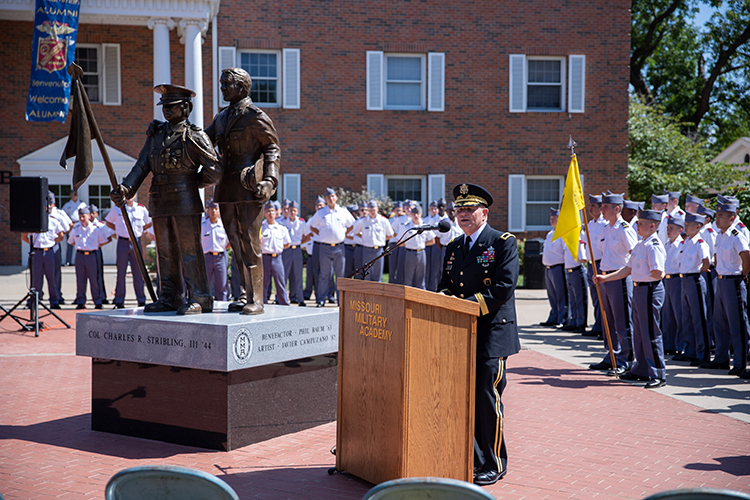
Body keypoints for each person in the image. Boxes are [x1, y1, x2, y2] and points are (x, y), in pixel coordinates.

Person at [111, 84, 222, 315]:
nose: (167, 111)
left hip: (185, 201)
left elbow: (215, 169)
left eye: (172, 107)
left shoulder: (194, 135)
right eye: (164, 107)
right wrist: (126, 188)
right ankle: (170, 296)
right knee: (165, 251)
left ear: (186, 107)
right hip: (159, 200)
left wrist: (191, 183)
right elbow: (142, 165)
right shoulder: (156, 134)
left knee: (189, 250)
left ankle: (200, 297)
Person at [437, 183, 520, 486]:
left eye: (470, 209)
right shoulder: (455, 247)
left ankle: (494, 463)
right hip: (461, 335)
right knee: (464, 400)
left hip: (491, 336)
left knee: (487, 401)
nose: (463, 214)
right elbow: (445, 283)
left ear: (484, 213)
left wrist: (465, 306)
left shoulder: (502, 242)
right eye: (459, 209)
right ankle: (472, 459)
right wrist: (447, 300)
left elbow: (503, 287)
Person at [206, 67, 281, 316]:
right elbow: (203, 142)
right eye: (222, 83)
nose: (222, 88)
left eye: (227, 83)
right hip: (226, 186)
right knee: (235, 242)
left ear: (241, 87)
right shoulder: (221, 117)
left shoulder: (254, 116)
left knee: (250, 242)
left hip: (249, 186)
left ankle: (256, 298)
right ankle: (242, 293)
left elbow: (271, 148)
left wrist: (270, 180)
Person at [594, 210, 667, 388]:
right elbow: (627, 269)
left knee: (650, 332)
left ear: (652, 226)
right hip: (639, 288)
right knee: (641, 332)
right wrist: (605, 278)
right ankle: (642, 369)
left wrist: (649, 275)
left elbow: (658, 272)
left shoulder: (654, 245)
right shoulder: (642, 244)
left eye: (641, 223)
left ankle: (657, 372)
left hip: (650, 289)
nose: (637, 225)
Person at [589, 191, 638, 375]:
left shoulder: (624, 229)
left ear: (617, 208)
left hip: (620, 278)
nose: (602, 209)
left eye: (606, 206)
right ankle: (612, 356)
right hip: (606, 278)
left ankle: (626, 360)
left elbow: (633, 254)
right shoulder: (606, 228)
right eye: (601, 206)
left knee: (622, 321)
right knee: (608, 321)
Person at [709, 202, 750, 376]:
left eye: (721, 216)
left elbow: (746, 256)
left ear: (732, 218)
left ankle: (740, 363)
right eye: (717, 216)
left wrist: (742, 274)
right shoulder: (720, 235)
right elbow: (717, 257)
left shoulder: (736, 235)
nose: (717, 219)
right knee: (720, 322)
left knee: (738, 324)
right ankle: (721, 358)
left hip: (733, 281)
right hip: (721, 280)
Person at [307, 187, 355, 306]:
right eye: (328, 197)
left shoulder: (343, 211)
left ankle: (340, 300)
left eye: (332, 196)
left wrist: (344, 234)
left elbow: (352, 225)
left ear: (336, 197)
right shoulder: (321, 212)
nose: (330, 199)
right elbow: (312, 226)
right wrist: (322, 234)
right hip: (325, 247)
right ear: (325, 199)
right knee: (324, 274)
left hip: (339, 247)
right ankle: (321, 300)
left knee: (340, 275)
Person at [674, 213, 711, 366]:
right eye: (686, 224)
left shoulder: (700, 242)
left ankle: (703, 353)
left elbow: (706, 262)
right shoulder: (686, 242)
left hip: (694, 279)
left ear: (698, 226)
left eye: (689, 224)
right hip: (684, 280)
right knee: (687, 317)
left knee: (698, 318)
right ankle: (690, 351)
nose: (686, 227)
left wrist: (697, 272)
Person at [105, 190, 153, 309]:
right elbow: (108, 222)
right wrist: (118, 230)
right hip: (123, 242)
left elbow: (149, 222)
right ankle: (119, 301)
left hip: (136, 242)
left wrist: (141, 230)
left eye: (131, 195)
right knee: (121, 272)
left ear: (135, 196)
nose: (129, 198)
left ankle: (141, 300)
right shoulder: (118, 209)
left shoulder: (141, 208)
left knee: (138, 272)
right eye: (127, 196)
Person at [21, 205, 66, 309]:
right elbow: (24, 236)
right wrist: (33, 244)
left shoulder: (53, 221)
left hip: (48, 251)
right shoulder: (32, 221)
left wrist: (51, 242)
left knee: (51, 278)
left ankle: (54, 301)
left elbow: (61, 235)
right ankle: (33, 301)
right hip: (36, 252)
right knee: (35, 279)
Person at [68, 207, 109, 309]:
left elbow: (104, 240)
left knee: (94, 279)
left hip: (91, 255)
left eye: (84, 216)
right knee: (80, 279)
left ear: (89, 216)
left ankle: (97, 301)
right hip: (80, 255)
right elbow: (71, 241)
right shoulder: (76, 228)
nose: (82, 219)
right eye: (80, 217)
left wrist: (93, 247)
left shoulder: (95, 228)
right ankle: (81, 301)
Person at [352, 200, 395, 282]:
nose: (371, 212)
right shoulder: (363, 221)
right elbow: (356, 232)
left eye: (373, 210)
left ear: (377, 209)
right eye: (370, 210)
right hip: (367, 249)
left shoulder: (383, 221)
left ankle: (377, 294)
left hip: (378, 250)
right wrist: (365, 238)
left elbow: (390, 234)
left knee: (377, 275)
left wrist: (381, 240)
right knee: (367, 274)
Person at [397, 204, 437, 289]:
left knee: (421, 279)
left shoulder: (424, 226)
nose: (415, 216)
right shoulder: (407, 227)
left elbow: (432, 240)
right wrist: (409, 245)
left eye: (417, 213)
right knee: (408, 279)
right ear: (410, 214)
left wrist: (422, 244)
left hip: (421, 252)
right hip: (409, 253)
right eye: (414, 213)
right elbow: (399, 242)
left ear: (420, 214)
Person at [584, 194, 607, 338]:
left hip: (601, 263)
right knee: (595, 297)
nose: (590, 208)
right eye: (590, 205)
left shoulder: (605, 224)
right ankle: (597, 324)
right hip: (591, 264)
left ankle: (603, 327)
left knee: (603, 298)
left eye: (593, 206)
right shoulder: (590, 224)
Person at [540, 208, 567, 328]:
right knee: (552, 295)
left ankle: (562, 318)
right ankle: (554, 316)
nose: (552, 221)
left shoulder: (563, 234)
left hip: (558, 267)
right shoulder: (550, 233)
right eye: (551, 218)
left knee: (560, 294)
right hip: (548, 268)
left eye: (554, 218)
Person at [662, 214, 684, 356]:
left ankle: (681, 345)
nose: (668, 231)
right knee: (667, 315)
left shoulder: (682, 245)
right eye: (668, 228)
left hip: (677, 280)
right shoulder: (666, 245)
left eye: (671, 228)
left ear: (680, 230)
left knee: (679, 314)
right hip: (666, 280)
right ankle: (668, 344)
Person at [281, 201, 310, 305]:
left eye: (294, 210)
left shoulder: (301, 223)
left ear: (297, 211)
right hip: (286, 250)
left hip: (297, 249)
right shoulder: (283, 223)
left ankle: (300, 299)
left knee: (298, 275)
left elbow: (308, 235)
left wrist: (300, 243)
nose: (292, 212)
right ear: (287, 211)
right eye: (290, 210)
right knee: (284, 274)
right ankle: (281, 298)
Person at [201, 199, 230, 302]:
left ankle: (223, 306)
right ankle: (206, 305)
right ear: (207, 210)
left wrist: (221, 248)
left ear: (219, 210)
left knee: (222, 285)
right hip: (207, 257)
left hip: (220, 257)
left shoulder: (224, 226)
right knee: (206, 285)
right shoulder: (203, 226)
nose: (213, 211)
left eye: (216, 209)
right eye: (211, 209)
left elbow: (229, 242)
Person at [562, 232, 588, 333]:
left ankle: (580, 323)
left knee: (579, 299)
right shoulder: (566, 240)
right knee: (572, 299)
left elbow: (583, 259)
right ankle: (573, 321)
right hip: (568, 271)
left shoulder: (577, 240)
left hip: (577, 270)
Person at [89, 204, 112, 304]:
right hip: (86, 252)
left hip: (96, 251)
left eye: (93, 213)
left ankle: (102, 296)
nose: (91, 215)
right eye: (89, 213)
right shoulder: (84, 225)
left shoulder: (100, 225)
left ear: (97, 214)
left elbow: (109, 238)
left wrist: (97, 245)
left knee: (98, 275)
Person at [61, 189, 87, 266]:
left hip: (80, 224)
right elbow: (63, 215)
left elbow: (86, 214)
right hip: (71, 225)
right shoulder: (67, 205)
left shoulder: (82, 204)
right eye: (72, 194)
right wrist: (69, 223)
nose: (74, 196)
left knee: (81, 242)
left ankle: (81, 260)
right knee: (70, 243)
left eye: (75, 194)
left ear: (77, 195)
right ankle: (68, 261)